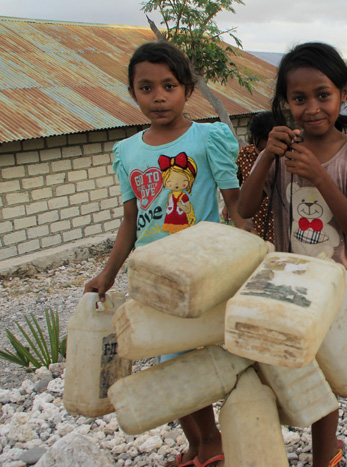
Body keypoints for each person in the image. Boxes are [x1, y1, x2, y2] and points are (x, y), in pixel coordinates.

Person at [84, 41, 245, 467]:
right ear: (133, 93)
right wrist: (107, 274)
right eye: (146, 87)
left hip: (201, 275)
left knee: (188, 363)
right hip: (152, 280)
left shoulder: (208, 139)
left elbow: (237, 208)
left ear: (187, 89)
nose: (158, 96)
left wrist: (257, 258)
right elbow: (130, 224)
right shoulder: (128, 152)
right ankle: (197, 444)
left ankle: (213, 444)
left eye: (168, 86)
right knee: (167, 360)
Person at [238, 42, 347, 467]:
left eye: (323, 95)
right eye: (299, 99)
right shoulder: (281, 152)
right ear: (286, 103)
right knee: (298, 364)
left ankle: (324, 455)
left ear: (343, 92)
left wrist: (319, 177)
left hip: (340, 284)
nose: (312, 107)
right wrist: (266, 155)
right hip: (292, 282)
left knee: (329, 369)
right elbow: (244, 208)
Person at [226, 111, 281, 242]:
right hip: (252, 222)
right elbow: (234, 185)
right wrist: (228, 206)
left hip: (277, 225)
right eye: (260, 148)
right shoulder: (244, 154)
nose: (263, 154)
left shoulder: (285, 158)